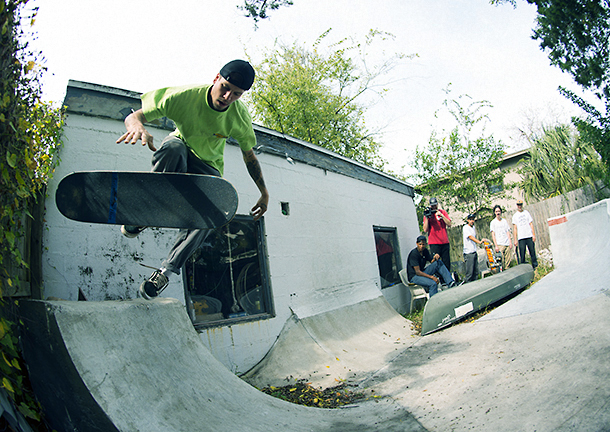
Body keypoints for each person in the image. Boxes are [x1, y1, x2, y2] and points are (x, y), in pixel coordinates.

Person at [116, 59, 269, 299]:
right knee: (173, 147)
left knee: (213, 213)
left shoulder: (239, 117)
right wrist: (137, 127)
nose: (228, 97)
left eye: (236, 94)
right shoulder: (184, 97)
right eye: (225, 88)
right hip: (180, 152)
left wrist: (264, 192)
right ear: (216, 78)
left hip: (207, 167)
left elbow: (249, 155)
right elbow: (135, 116)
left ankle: (166, 271)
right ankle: (145, 213)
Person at [422, 197, 453, 272]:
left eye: (435, 205)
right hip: (434, 243)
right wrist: (426, 216)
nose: (434, 207)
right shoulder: (428, 215)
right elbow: (425, 229)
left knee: (446, 262)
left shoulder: (443, 212)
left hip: (444, 241)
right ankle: (440, 279)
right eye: (432, 206)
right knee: (436, 262)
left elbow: (449, 224)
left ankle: (448, 279)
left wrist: (441, 215)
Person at [462, 213, 490, 283]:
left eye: (473, 219)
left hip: (474, 251)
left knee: (476, 272)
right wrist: (479, 242)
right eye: (470, 220)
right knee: (470, 273)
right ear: (468, 220)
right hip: (468, 253)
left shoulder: (473, 227)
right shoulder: (465, 228)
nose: (472, 221)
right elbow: (470, 237)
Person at [512, 199, 538, 269]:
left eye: (520, 205)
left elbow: (531, 224)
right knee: (522, 254)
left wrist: (533, 235)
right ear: (517, 206)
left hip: (529, 235)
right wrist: (515, 239)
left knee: (532, 252)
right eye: (518, 205)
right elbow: (515, 228)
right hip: (521, 237)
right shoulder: (515, 216)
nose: (519, 206)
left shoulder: (526, 213)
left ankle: (535, 266)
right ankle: (523, 268)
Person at [489, 204, 514, 269]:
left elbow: (507, 232)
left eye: (499, 211)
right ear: (494, 212)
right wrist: (496, 245)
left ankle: (507, 270)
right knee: (501, 261)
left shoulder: (504, 221)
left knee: (508, 261)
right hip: (499, 244)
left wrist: (510, 242)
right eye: (496, 211)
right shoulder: (493, 222)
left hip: (506, 243)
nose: (498, 213)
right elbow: (493, 235)